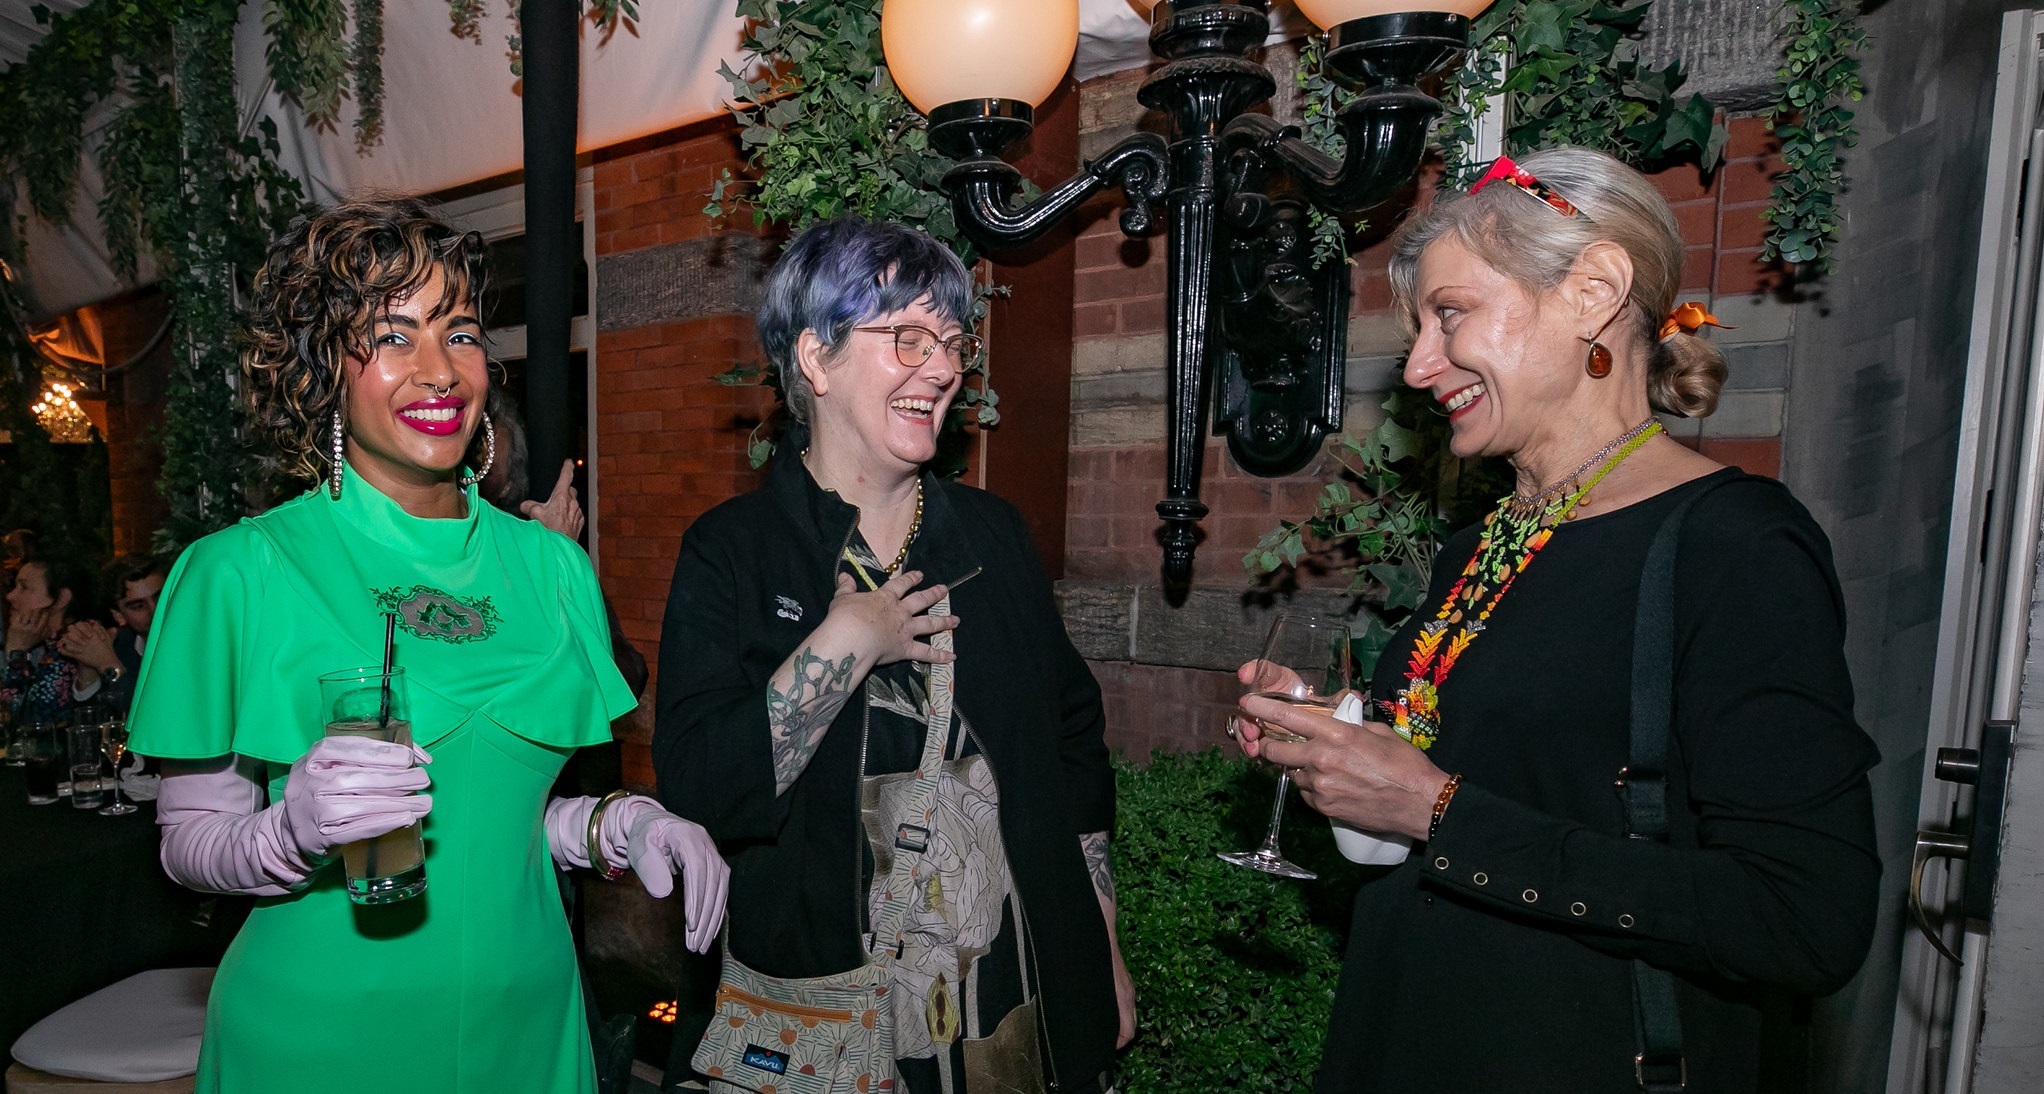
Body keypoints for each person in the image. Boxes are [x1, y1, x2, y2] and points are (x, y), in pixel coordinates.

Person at [1232, 148, 1881, 1094]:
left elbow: (1803, 919)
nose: (1418, 367)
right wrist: (1337, 735)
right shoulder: (1480, 545)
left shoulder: (1733, 546)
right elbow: (1481, 771)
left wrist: (1437, 812)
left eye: (1450, 314)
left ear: (1593, 292)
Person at [125, 196, 729, 1094]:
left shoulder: (552, 568)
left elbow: (499, 815)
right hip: (320, 1038)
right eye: (392, 336)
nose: (439, 370)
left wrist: (617, 823)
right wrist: (291, 832)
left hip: (528, 1022)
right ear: (326, 365)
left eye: (461, 332)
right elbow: (191, 843)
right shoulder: (239, 572)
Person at [655, 217, 1131, 1094]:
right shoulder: (735, 551)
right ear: (816, 358)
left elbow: (1072, 740)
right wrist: (843, 642)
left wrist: (1097, 937)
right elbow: (704, 788)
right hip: (830, 1032)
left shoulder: (992, 535)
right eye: (907, 337)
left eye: (951, 343)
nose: (944, 368)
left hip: (1013, 1013)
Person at [57, 553, 168, 714]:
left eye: (162, 598)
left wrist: (111, 667)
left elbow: (157, 718)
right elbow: (95, 729)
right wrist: (87, 669)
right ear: (118, 615)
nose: (156, 611)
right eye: (138, 606)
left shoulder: (204, 641)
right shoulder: (120, 645)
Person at [4, 553, 97, 719]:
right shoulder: (40, 644)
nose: (10, 596)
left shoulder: (78, 644)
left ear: (61, 598)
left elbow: (28, 724)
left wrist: (16, 653)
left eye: (24, 587)